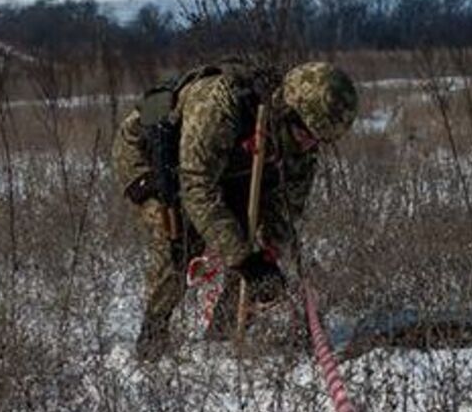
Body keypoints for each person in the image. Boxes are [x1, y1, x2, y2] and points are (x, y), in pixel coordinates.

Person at [112, 59, 359, 359]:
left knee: (247, 239)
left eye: (317, 141)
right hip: (151, 154)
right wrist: (244, 260)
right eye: (305, 135)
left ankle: (223, 336)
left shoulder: (304, 139)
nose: (309, 147)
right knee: (179, 236)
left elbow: (285, 211)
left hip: (226, 166)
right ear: (286, 112)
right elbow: (197, 188)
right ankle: (153, 334)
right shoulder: (219, 105)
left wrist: (267, 259)